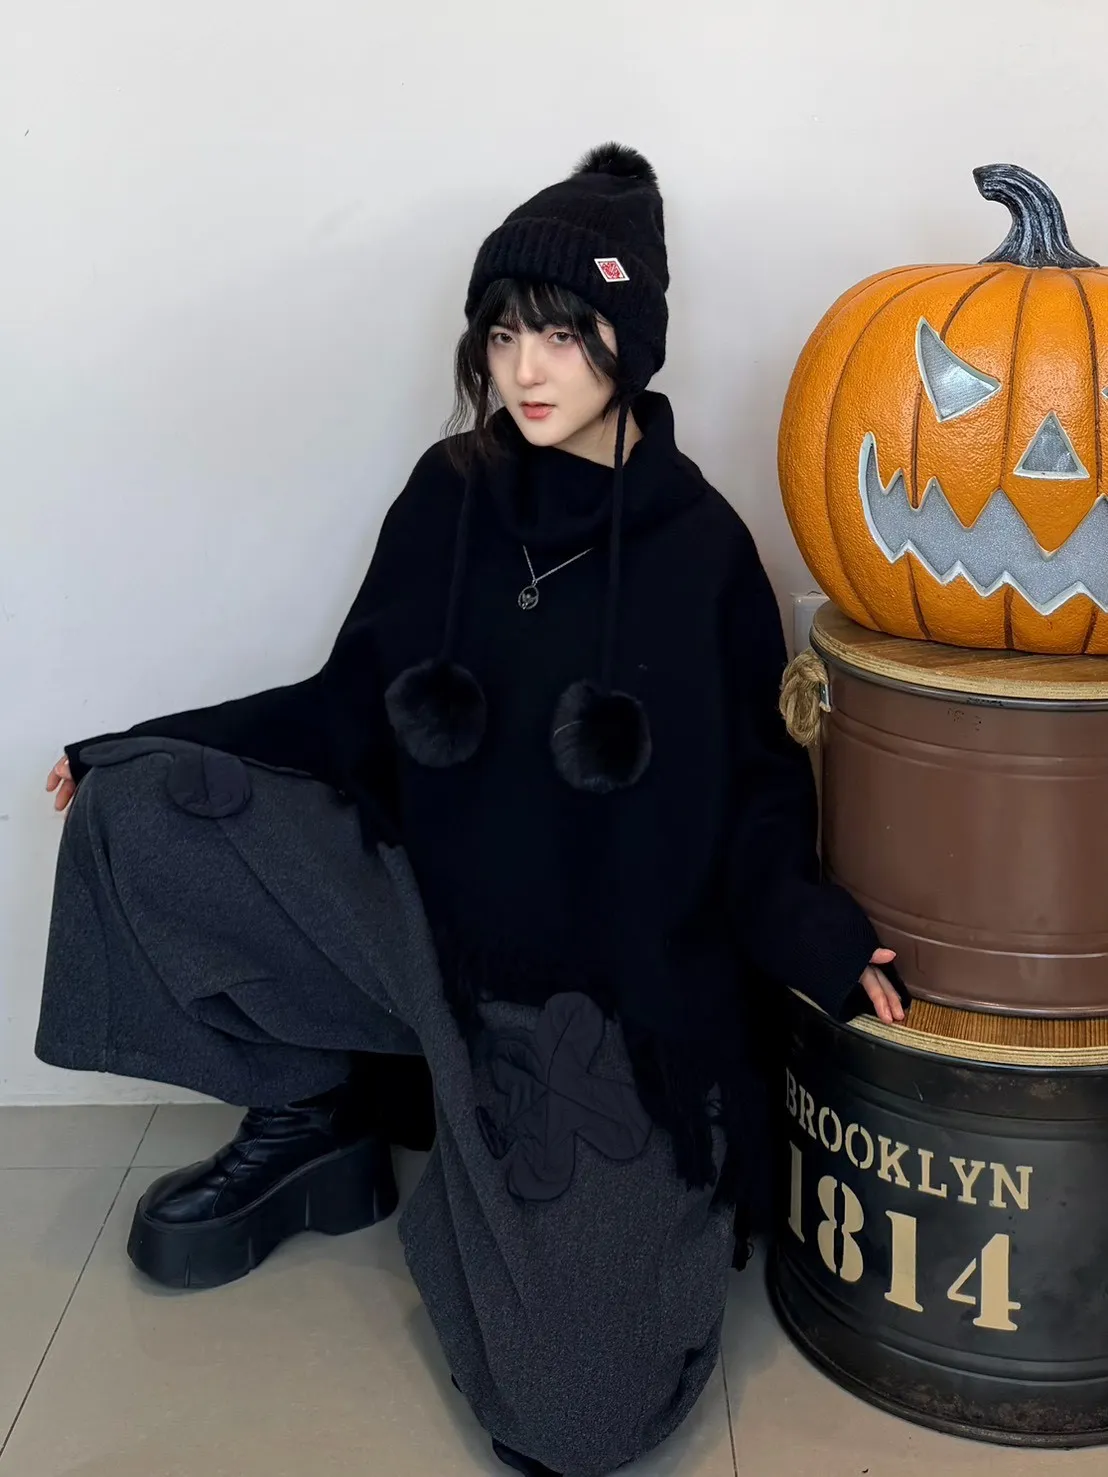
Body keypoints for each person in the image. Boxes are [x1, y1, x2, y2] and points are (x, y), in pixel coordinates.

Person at [38, 145, 904, 1477]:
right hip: (419, 927)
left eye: (560, 334)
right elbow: (344, 709)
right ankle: (313, 1110)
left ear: (630, 340)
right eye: (503, 335)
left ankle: (487, 1159)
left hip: (596, 1009)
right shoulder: (450, 496)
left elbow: (755, 802)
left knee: (576, 1420)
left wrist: (815, 934)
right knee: (143, 815)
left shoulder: (706, 552)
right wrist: (141, 747)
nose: (526, 370)